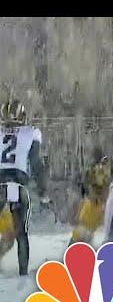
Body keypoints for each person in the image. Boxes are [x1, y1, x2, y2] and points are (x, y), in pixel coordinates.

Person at [0, 99, 49, 275]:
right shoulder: (31, 132)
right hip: (18, 184)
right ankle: (22, 272)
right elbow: (36, 163)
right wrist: (43, 189)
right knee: (21, 233)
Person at [69, 147, 113, 245]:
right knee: (87, 229)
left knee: (84, 229)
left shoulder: (97, 170)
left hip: (94, 202)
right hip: (96, 202)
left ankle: (75, 251)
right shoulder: (101, 170)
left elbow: (95, 184)